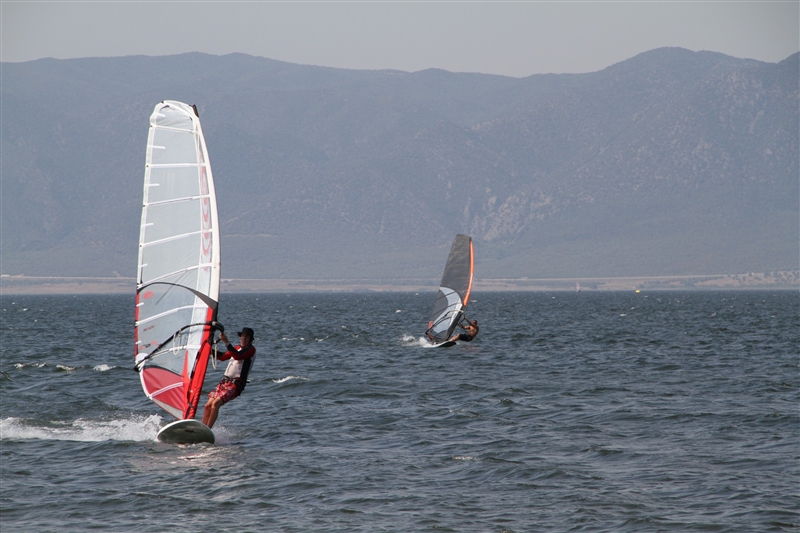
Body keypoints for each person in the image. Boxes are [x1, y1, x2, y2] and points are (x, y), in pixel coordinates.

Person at [202, 327, 256, 429]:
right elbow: (222, 356)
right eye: (242, 336)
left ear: (250, 339)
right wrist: (208, 350)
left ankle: (207, 429)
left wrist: (226, 342)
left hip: (236, 385)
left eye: (246, 337)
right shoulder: (236, 348)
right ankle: (202, 428)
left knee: (216, 404)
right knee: (208, 405)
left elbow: (238, 356)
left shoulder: (251, 350)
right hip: (224, 383)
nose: (244, 338)